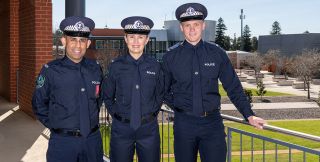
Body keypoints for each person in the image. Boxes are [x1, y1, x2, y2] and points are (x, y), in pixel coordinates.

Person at [162, 3, 266, 162]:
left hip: (212, 125)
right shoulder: (171, 56)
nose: (192, 29)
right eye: (187, 25)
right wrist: (178, 104)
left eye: (196, 24)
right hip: (184, 125)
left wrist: (249, 114)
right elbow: (163, 89)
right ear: (181, 28)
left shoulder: (217, 53)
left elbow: (233, 87)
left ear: (203, 26)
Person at [32, 16, 103, 162]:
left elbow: (98, 99)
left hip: (92, 140)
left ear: (88, 43)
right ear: (64, 41)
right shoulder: (50, 70)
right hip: (62, 143)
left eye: (82, 40)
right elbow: (38, 104)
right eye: (73, 39)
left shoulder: (95, 69)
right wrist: (56, 125)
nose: (78, 45)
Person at [102, 16, 163, 162]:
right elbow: (107, 96)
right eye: (132, 37)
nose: (136, 41)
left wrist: (152, 113)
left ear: (147, 40)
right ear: (125, 38)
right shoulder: (115, 66)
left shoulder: (155, 66)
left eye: (140, 37)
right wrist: (117, 115)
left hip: (148, 129)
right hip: (121, 130)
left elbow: (160, 94)